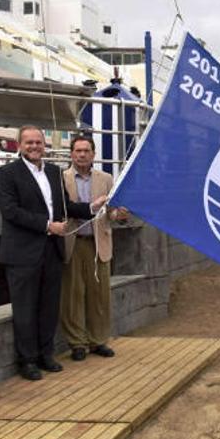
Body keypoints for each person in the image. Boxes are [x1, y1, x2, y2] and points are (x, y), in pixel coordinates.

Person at [0, 125, 105, 381]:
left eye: (38, 142)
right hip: (22, 253)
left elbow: (65, 206)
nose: (34, 147)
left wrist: (91, 206)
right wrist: (47, 226)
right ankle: (28, 361)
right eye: (29, 143)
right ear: (19, 145)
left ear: (44, 145)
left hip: (51, 251)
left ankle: (46, 355)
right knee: (25, 308)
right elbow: (11, 211)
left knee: (48, 306)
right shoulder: (6, 174)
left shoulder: (54, 172)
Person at [60, 136, 129, 361]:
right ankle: (77, 343)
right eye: (78, 150)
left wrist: (119, 215)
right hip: (73, 243)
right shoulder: (62, 178)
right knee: (73, 295)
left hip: (99, 243)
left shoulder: (106, 179)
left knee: (99, 295)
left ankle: (98, 340)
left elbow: (112, 211)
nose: (82, 154)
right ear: (71, 154)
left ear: (93, 154)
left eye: (86, 150)